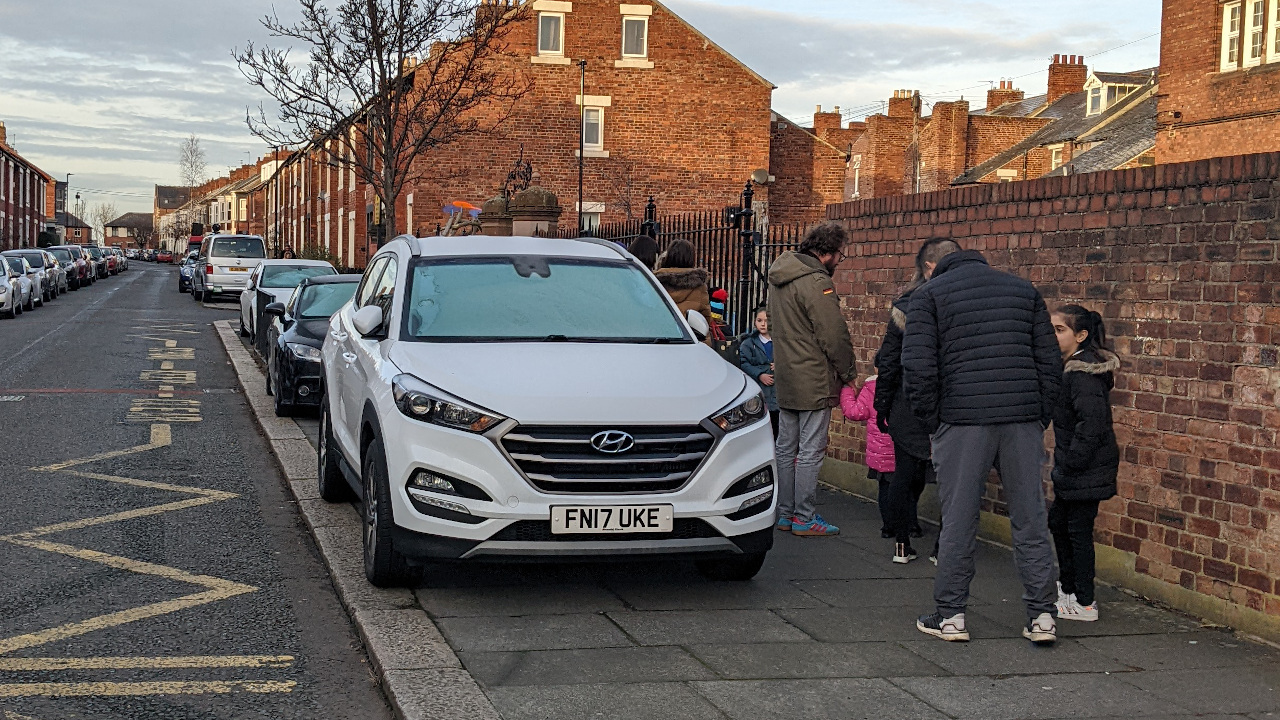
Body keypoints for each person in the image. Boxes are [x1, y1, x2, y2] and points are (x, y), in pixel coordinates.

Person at [902, 242, 1062, 645]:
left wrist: (934, 421)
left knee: (959, 519)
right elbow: (1049, 361)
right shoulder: (1023, 290)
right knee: (1031, 519)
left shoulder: (929, 296)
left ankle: (951, 615)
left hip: (961, 420)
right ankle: (1043, 616)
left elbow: (918, 367)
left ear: (934, 264)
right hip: (1022, 418)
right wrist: (1039, 413)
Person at [768, 223, 857, 537]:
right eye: (839, 256)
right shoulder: (816, 282)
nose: (838, 262)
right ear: (826, 252)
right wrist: (849, 374)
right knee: (810, 451)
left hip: (787, 374)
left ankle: (785, 513)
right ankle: (804, 518)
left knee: (784, 447)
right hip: (814, 377)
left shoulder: (780, 276)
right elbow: (833, 334)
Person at [875, 240, 958, 564]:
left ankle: (901, 542)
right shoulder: (963, 303)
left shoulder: (906, 305)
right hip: (951, 401)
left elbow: (890, 361)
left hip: (908, 400)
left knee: (904, 473)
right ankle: (942, 547)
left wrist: (882, 404)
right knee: (953, 478)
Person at [1049, 305, 1120, 623]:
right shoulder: (1072, 367)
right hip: (1077, 466)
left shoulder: (1083, 374)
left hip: (1085, 467)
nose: (1053, 335)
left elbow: (1092, 425)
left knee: (1077, 530)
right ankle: (1069, 589)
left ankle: (1085, 602)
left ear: (1080, 335)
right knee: (1060, 524)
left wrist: (1070, 464)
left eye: (1059, 330)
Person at [840, 364, 897, 551]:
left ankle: (888, 526)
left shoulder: (871, 388)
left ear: (875, 368)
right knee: (907, 488)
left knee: (885, 487)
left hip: (880, 451)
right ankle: (911, 525)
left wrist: (847, 390)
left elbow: (855, 412)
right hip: (903, 448)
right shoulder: (905, 386)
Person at [654, 239, 712, 330]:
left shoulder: (654, 281)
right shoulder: (698, 285)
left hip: (660, 332)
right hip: (689, 336)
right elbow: (706, 317)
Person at [739, 306, 780, 434]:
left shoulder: (780, 342)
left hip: (778, 390)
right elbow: (744, 363)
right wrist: (760, 374)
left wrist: (780, 365)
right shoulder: (748, 343)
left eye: (766, 320)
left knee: (779, 423)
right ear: (755, 322)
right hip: (759, 389)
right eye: (759, 320)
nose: (763, 324)